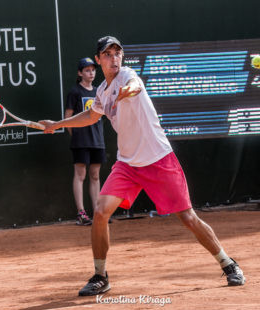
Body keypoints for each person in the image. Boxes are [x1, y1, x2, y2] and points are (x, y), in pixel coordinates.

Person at [39, 36, 246, 296]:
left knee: (188, 217)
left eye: (117, 53)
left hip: (158, 158)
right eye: (108, 54)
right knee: (101, 212)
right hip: (127, 164)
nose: (114, 58)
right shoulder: (102, 90)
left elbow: (135, 85)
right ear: (98, 59)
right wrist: (57, 125)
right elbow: (92, 115)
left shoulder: (127, 76)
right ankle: (100, 276)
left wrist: (129, 90)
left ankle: (228, 264)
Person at [65, 57, 106, 226]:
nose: (91, 73)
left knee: (95, 175)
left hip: (97, 140)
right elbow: (68, 118)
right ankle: (81, 214)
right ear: (80, 73)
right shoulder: (74, 92)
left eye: (93, 70)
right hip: (80, 141)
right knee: (80, 175)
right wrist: (76, 136)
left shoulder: (98, 91)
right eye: (87, 70)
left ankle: (98, 212)